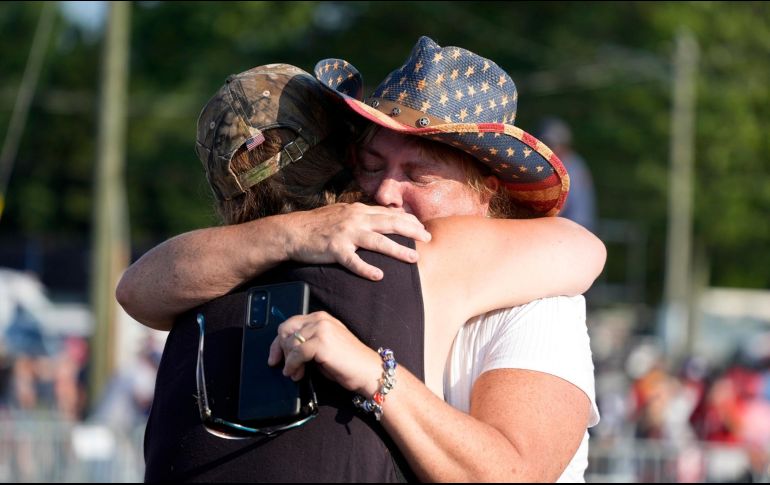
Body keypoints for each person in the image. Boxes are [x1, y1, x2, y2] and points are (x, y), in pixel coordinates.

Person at [123, 37, 604, 482]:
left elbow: (515, 475)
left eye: (420, 175)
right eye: (372, 165)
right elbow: (136, 288)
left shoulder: (540, 303)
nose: (386, 193)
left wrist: (377, 375)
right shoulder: (329, 255)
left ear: (486, 191)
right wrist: (294, 232)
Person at [538, 117, 597, 231]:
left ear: (563, 145)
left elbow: (560, 206)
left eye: (550, 144)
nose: (546, 149)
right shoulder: (575, 162)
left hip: (573, 229)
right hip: (579, 228)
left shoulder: (568, 168)